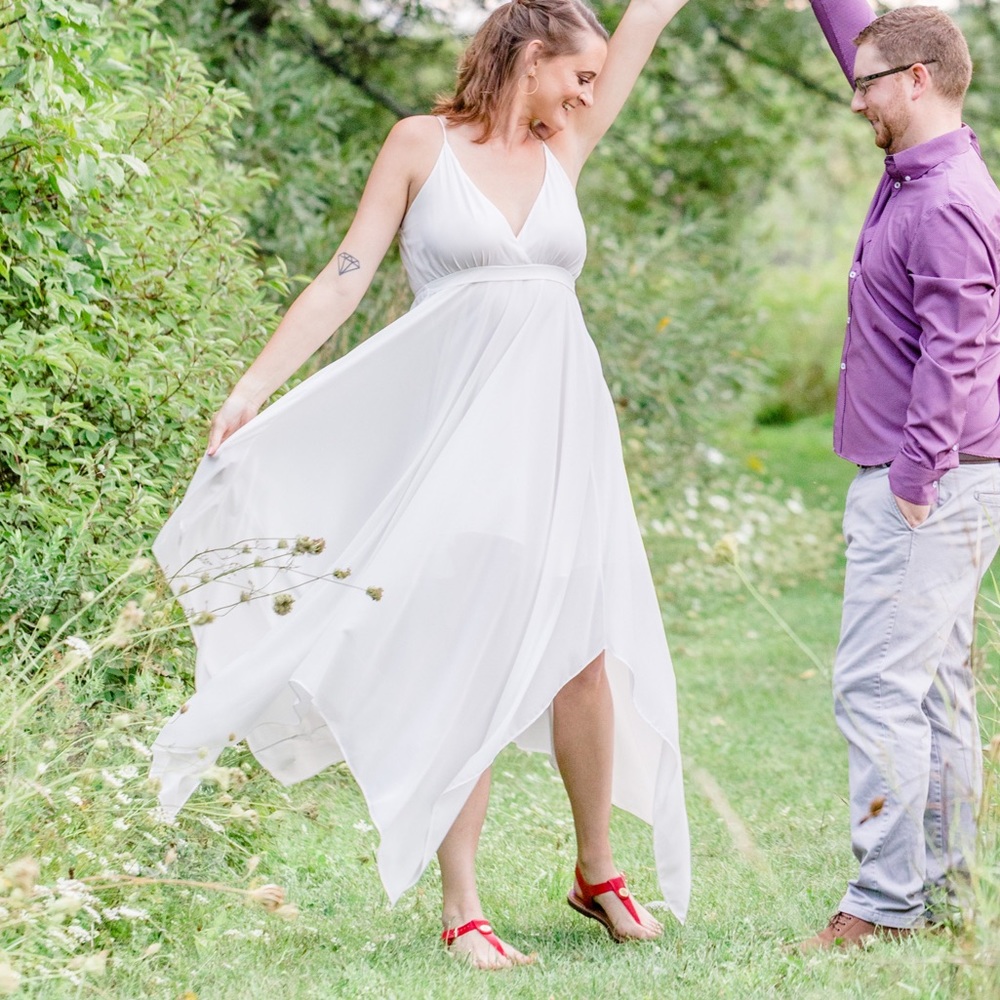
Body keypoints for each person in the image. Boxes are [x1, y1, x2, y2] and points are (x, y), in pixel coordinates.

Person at [150, 0, 691, 968]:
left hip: (563, 435)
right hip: (457, 439)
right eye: (577, 73)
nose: (585, 93)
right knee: (467, 647)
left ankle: (597, 872)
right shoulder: (418, 146)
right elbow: (343, 277)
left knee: (586, 653)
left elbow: (649, 13)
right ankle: (462, 903)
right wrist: (252, 388)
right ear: (529, 56)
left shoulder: (565, 143)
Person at [799, 0, 1000, 951]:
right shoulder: (918, 164)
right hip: (942, 477)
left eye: (867, 85)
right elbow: (869, 41)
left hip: (931, 480)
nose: (855, 101)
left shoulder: (947, 202)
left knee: (876, 686)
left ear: (916, 83)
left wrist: (914, 479)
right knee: (932, 691)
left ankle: (883, 905)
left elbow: (958, 355)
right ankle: (956, 894)